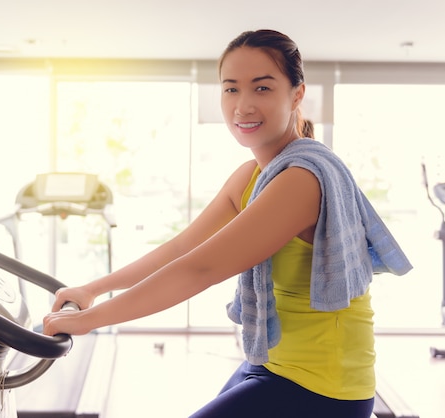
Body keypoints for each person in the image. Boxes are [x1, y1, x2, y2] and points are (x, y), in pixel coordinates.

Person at [43, 29, 412, 418]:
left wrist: (91, 320)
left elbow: (200, 269)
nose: (243, 106)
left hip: (321, 386)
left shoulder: (301, 180)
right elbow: (182, 248)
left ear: (296, 94)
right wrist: (91, 289)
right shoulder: (251, 175)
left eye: (262, 88)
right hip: (270, 365)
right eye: (231, 89)